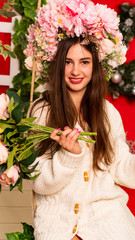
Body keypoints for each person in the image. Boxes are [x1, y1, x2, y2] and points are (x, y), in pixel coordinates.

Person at [25, 0, 135, 239]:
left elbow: (119, 166)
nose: (76, 71)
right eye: (67, 62)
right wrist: (69, 155)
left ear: (95, 66)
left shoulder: (107, 112)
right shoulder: (41, 111)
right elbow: (39, 183)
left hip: (108, 215)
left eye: (84, 62)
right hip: (58, 218)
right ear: (57, 65)